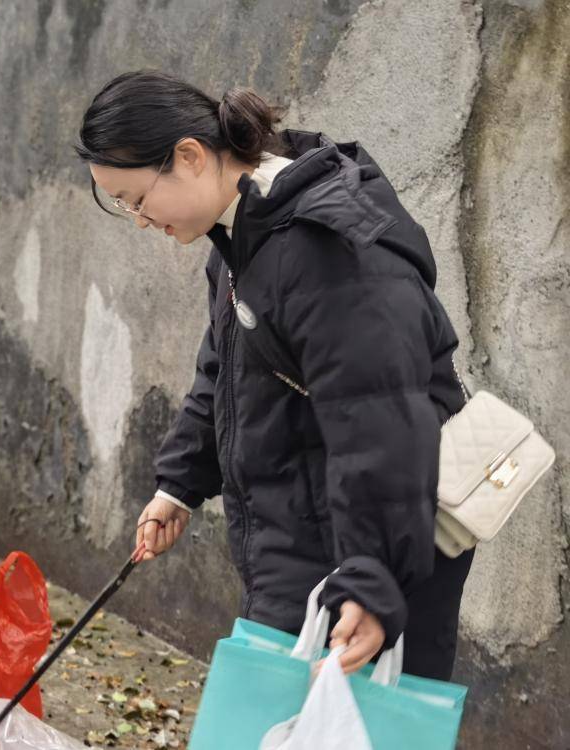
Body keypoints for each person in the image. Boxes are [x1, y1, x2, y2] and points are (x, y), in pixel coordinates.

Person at [76, 71, 474, 681]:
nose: (138, 219)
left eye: (135, 198)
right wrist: (179, 484)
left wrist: (371, 581)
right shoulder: (244, 235)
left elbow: (379, 419)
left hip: (359, 549)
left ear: (189, 156)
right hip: (299, 537)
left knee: (350, 721)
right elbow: (225, 370)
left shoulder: (324, 247)